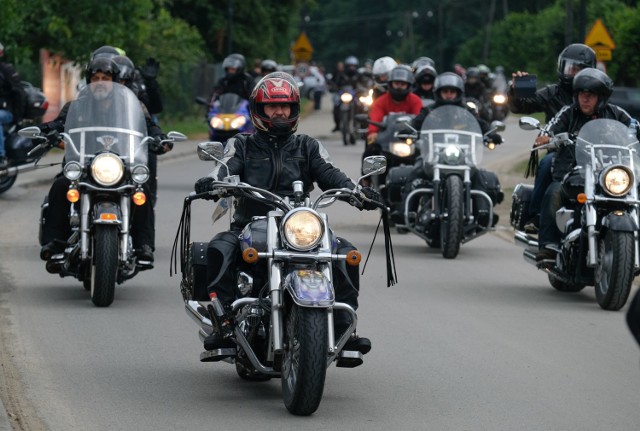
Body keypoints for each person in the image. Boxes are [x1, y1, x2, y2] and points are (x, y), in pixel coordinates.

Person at [193, 71, 381, 354]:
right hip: (251, 224)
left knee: (345, 253)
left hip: (298, 226)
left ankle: (344, 328)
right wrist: (213, 182)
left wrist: (357, 192)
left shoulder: (307, 146)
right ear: (260, 109)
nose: (280, 112)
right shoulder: (243, 145)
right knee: (220, 247)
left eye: (286, 106)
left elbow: (329, 173)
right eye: (273, 106)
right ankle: (225, 321)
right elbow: (225, 168)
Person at [38, 57, 168, 264]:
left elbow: (148, 125)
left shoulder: (131, 105)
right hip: (83, 165)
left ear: (115, 82)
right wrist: (49, 131)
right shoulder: (77, 106)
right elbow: (60, 123)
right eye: (95, 78)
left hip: (120, 165)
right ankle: (55, 241)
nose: (100, 82)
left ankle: (144, 244)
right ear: (89, 81)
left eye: (105, 78)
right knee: (61, 186)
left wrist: (159, 137)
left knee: (141, 191)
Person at [534, 68, 639, 262]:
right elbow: (550, 127)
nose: (585, 99)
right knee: (554, 191)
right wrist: (546, 137)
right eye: (582, 94)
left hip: (607, 173)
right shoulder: (568, 112)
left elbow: (634, 128)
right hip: (572, 171)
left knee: (633, 194)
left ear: (601, 97)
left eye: (591, 95)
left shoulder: (616, 113)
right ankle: (548, 245)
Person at [509, 43, 596, 232]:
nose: (572, 73)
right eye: (569, 67)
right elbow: (521, 107)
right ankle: (537, 216)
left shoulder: (597, 94)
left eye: (577, 69)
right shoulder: (553, 93)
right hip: (560, 152)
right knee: (547, 163)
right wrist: (517, 90)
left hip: (591, 156)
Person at [399, 72, 503, 226]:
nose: (448, 95)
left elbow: (481, 123)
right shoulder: (429, 111)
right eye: (445, 92)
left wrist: (491, 133)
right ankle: (405, 212)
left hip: (462, 155)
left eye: (452, 92)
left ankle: (483, 212)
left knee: (477, 175)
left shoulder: (468, 111)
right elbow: (417, 122)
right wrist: (409, 129)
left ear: (458, 93)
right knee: (416, 171)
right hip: (433, 156)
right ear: (438, 93)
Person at [366, 65, 422, 148]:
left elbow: (419, 119)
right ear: (390, 84)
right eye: (396, 83)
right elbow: (375, 118)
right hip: (386, 139)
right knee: (370, 149)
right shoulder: (380, 101)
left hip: (410, 139)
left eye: (402, 84)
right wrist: (373, 132)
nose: (399, 87)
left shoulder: (415, 100)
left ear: (408, 85)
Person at [0, 42, 26, 169]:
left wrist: (18, 118)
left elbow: (19, 92)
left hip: (6, 112)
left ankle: (1, 157)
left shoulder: (6, 70)